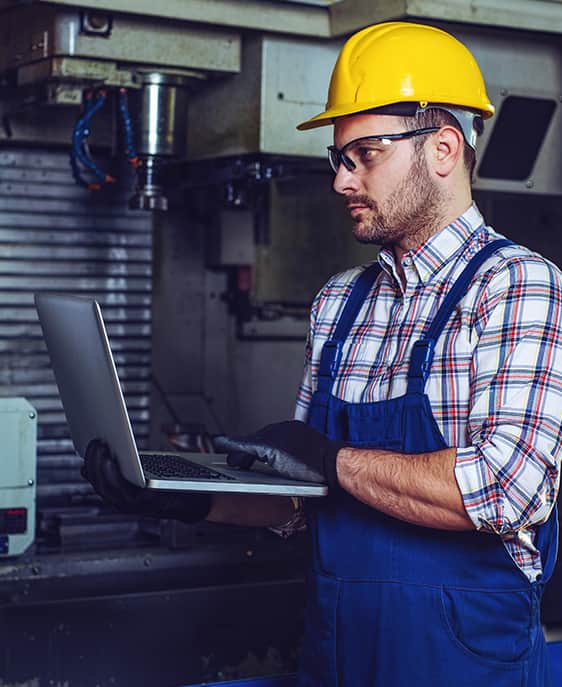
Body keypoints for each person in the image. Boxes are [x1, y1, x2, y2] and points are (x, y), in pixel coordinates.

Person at [83, 22, 562, 687]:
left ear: (444, 148)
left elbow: (507, 491)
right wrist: (178, 497)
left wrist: (331, 459)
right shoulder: (340, 303)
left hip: (464, 667)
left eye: (364, 154)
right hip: (337, 657)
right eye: (338, 158)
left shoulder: (515, 284)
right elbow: (303, 501)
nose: (341, 180)